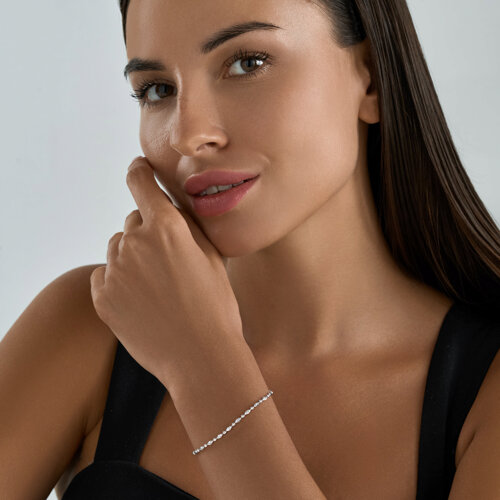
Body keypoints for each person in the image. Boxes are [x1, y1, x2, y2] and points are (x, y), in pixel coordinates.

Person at [1, 0, 499, 499]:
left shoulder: (485, 394)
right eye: (157, 89)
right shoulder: (89, 330)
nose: (188, 135)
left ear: (369, 77)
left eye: (247, 63)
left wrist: (202, 365)